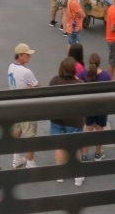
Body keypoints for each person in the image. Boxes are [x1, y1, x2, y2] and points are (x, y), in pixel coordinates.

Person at [48, 57, 85, 186]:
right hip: (74, 120)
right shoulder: (80, 84)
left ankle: (60, 174)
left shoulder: (55, 81)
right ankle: (78, 175)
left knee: (59, 146)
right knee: (74, 147)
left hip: (57, 119)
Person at [7, 43, 39, 169]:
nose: (29, 56)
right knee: (30, 136)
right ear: (20, 55)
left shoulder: (11, 67)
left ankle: (16, 158)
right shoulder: (26, 72)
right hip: (27, 107)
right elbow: (38, 86)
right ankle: (30, 163)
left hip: (15, 105)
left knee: (17, 130)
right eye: (27, 54)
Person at [81, 53, 111, 161]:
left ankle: (84, 154)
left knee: (88, 129)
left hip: (88, 106)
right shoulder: (106, 75)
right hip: (102, 107)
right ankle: (98, 154)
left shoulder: (83, 74)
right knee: (99, 129)